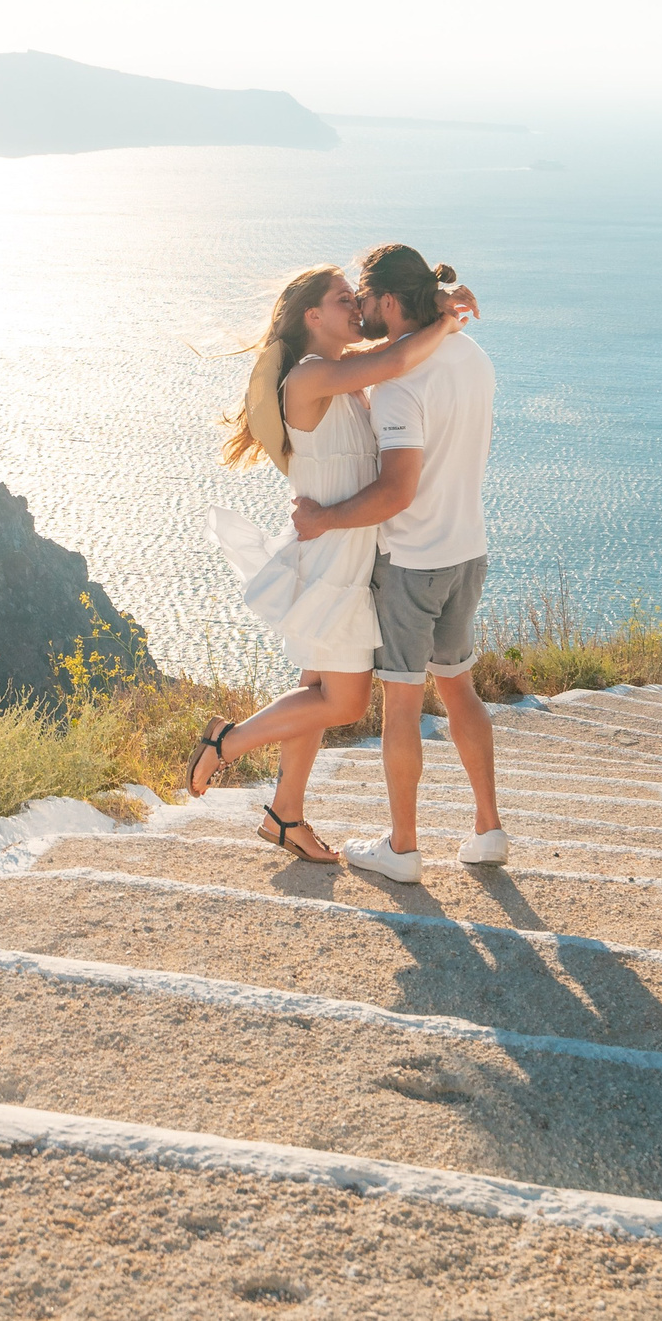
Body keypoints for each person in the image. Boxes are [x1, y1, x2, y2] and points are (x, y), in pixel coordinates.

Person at [196, 263, 477, 863]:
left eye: (358, 297)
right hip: (332, 558)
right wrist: (448, 319)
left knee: (317, 687)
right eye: (343, 299)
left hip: (349, 549)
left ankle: (284, 814)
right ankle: (227, 741)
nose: (355, 306)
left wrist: (434, 304)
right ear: (312, 316)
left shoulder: (344, 378)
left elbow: (391, 346)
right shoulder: (311, 377)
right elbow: (397, 359)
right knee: (344, 702)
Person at [288, 243, 502, 884]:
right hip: (467, 549)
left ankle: (403, 848)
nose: (360, 308)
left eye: (363, 297)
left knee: (403, 707)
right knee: (459, 688)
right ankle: (488, 828)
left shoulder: (398, 385)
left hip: (413, 561)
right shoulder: (472, 355)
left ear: (388, 300)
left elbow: (396, 492)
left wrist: (323, 519)